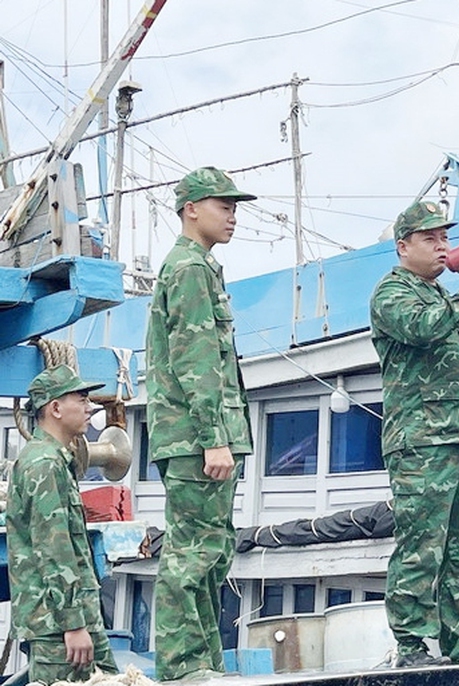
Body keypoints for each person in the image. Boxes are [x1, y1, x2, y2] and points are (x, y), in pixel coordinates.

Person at [370, 200, 459, 668]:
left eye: (445, 238)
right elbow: (422, 331)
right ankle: (411, 648)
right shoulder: (392, 294)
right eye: (430, 238)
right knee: (421, 548)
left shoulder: (439, 297)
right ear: (403, 247)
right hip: (421, 443)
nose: (442, 246)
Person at [146, 167, 255, 681]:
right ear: (191, 208)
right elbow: (196, 358)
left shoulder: (200, 266)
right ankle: (182, 667)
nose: (233, 215)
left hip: (203, 436)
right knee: (192, 553)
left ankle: (203, 664)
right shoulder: (189, 267)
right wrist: (214, 439)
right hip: (197, 438)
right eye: (223, 205)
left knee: (211, 557)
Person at [8, 365, 119, 684]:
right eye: (81, 399)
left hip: (71, 619)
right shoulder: (43, 465)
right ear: (55, 407)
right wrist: (73, 624)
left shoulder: (53, 460)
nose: (90, 407)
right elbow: (53, 550)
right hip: (59, 626)